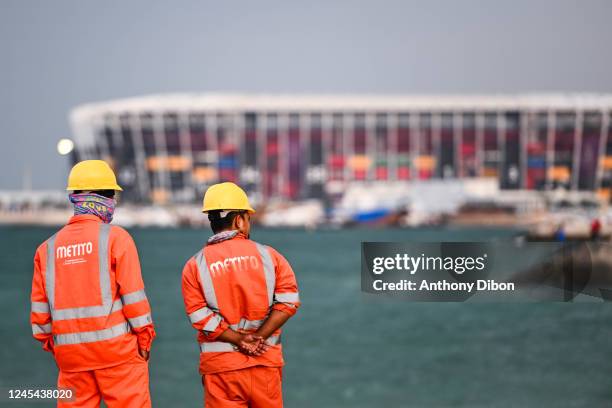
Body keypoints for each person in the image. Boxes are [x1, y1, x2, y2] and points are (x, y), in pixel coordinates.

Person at [30, 160, 155, 407]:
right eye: (112, 195)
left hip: (71, 359)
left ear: (74, 197)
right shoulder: (117, 239)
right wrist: (145, 341)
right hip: (118, 355)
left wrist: (59, 349)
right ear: (107, 198)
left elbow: (40, 317)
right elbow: (135, 299)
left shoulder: (47, 249)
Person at [181, 182, 301, 408]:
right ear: (239, 220)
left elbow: (199, 317)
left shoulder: (194, 265)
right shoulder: (270, 256)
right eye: (248, 218)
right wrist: (259, 337)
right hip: (264, 364)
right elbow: (289, 302)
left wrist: (238, 340)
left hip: (221, 369)